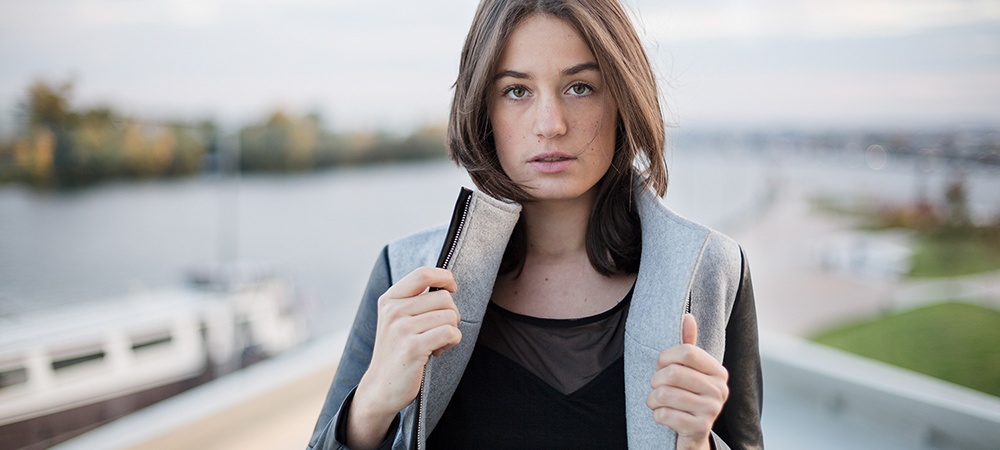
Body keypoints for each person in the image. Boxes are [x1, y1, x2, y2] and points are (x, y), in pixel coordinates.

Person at [308, 0, 762, 449]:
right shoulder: (404, 275)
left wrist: (697, 443)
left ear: (624, 97)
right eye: (517, 91)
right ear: (483, 108)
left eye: (580, 87)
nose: (550, 125)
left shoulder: (711, 272)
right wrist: (371, 406)